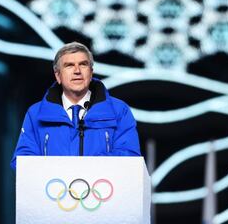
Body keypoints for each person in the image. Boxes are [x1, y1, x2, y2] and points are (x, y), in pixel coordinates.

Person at [10, 42, 140, 169]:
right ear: (58, 76)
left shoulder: (119, 110)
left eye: (83, 64)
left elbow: (130, 159)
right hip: (53, 189)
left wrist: (89, 166)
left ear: (91, 73)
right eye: (69, 65)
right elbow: (23, 163)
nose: (77, 71)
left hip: (102, 189)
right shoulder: (35, 113)